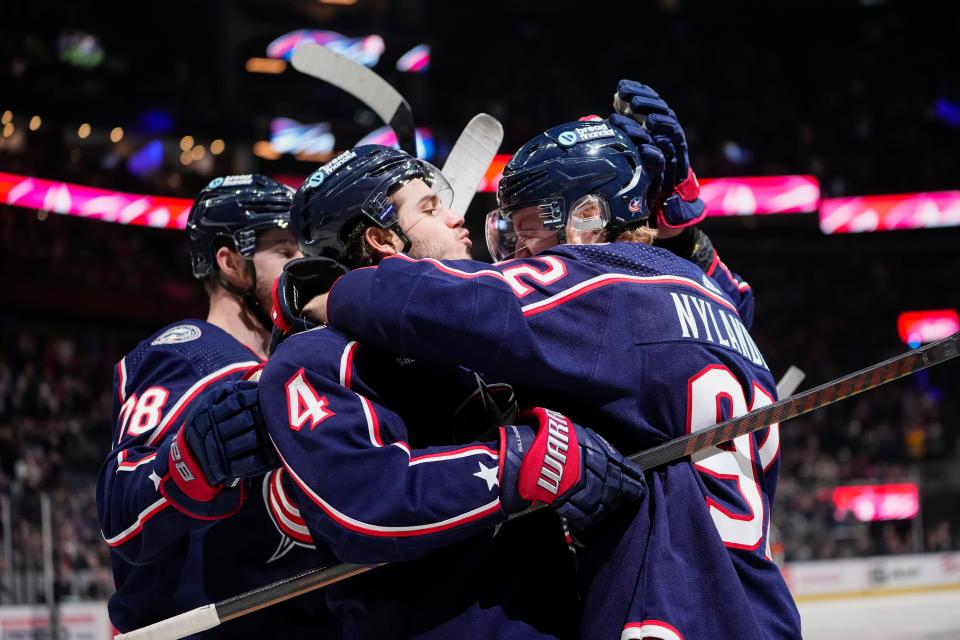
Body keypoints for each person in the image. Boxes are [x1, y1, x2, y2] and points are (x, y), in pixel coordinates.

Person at [302, 115, 802, 638]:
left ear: (586, 217)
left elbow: (451, 301)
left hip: (672, 605)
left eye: (526, 231)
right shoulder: (712, 299)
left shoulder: (608, 290)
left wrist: (330, 292)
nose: (518, 255)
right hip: (762, 610)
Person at [259, 145, 647, 638]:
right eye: (429, 208)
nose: (456, 215)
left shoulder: (476, 324)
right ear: (382, 239)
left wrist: (680, 231)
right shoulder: (311, 359)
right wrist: (522, 461)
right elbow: (366, 506)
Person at [95, 174, 336, 637]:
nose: (302, 265)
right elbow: (119, 510)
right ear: (230, 262)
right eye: (285, 253)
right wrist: (189, 463)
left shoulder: (302, 360)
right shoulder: (185, 354)